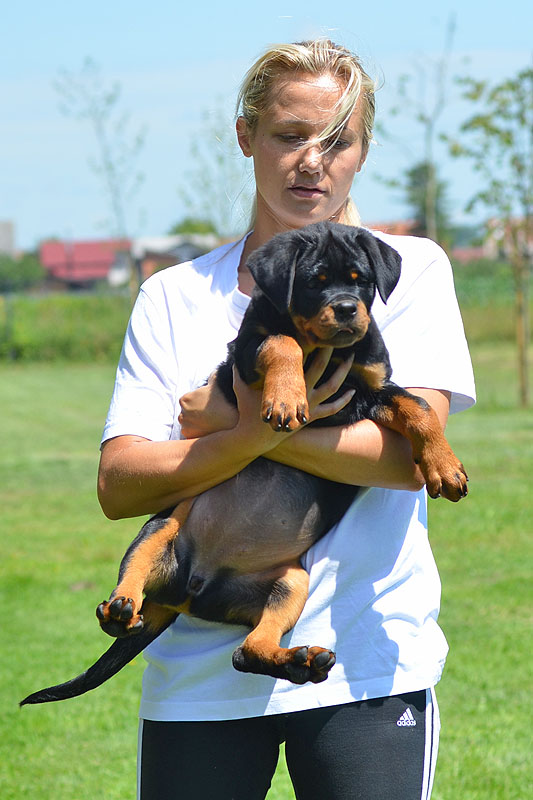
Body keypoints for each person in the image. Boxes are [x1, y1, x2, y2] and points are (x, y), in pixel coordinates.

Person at [98, 39, 475, 800]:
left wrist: (234, 425)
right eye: (289, 134)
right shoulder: (173, 296)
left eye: (336, 138)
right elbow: (119, 486)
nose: (312, 160)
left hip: (367, 663)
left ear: (363, 150)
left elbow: (404, 460)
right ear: (246, 138)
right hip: (200, 674)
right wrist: (251, 430)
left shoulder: (412, 272)